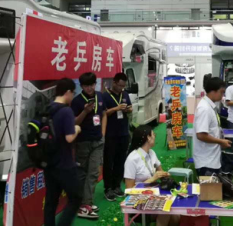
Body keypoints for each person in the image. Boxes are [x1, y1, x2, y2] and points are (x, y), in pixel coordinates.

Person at [44, 78, 82, 226]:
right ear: (67, 92)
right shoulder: (66, 111)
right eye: (73, 93)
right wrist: (77, 129)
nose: (73, 96)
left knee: (51, 201)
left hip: (49, 162)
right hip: (64, 163)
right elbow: (69, 138)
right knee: (76, 197)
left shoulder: (47, 108)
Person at [124, 125, 180, 226]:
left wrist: (164, 175)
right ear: (148, 138)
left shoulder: (152, 153)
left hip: (154, 196)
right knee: (165, 211)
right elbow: (129, 190)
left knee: (176, 217)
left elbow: (161, 172)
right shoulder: (132, 159)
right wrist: (152, 179)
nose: (155, 137)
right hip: (138, 201)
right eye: (154, 135)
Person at [71, 73, 106, 219]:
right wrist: (85, 111)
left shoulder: (100, 96)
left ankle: (87, 203)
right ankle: (81, 204)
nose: (90, 88)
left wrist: (103, 133)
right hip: (83, 142)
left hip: (98, 141)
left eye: (92, 85)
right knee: (82, 174)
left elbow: (104, 114)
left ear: (95, 83)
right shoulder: (77, 101)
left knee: (93, 173)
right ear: (81, 86)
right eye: (86, 86)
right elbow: (74, 123)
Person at [194, 77, 233, 177]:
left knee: (215, 187)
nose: (223, 95)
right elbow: (201, 135)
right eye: (221, 92)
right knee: (210, 188)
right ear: (213, 91)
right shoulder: (204, 109)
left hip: (212, 159)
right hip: (206, 162)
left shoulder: (210, 107)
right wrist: (220, 141)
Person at [103, 72, 133, 201]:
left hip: (123, 133)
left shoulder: (125, 94)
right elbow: (104, 113)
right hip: (110, 134)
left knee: (121, 161)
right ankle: (108, 188)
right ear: (114, 82)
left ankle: (116, 186)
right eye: (120, 85)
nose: (121, 88)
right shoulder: (105, 96)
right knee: (109, 162)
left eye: (123, 86)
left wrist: (128, 109)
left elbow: (130, 107)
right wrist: (116, 108)